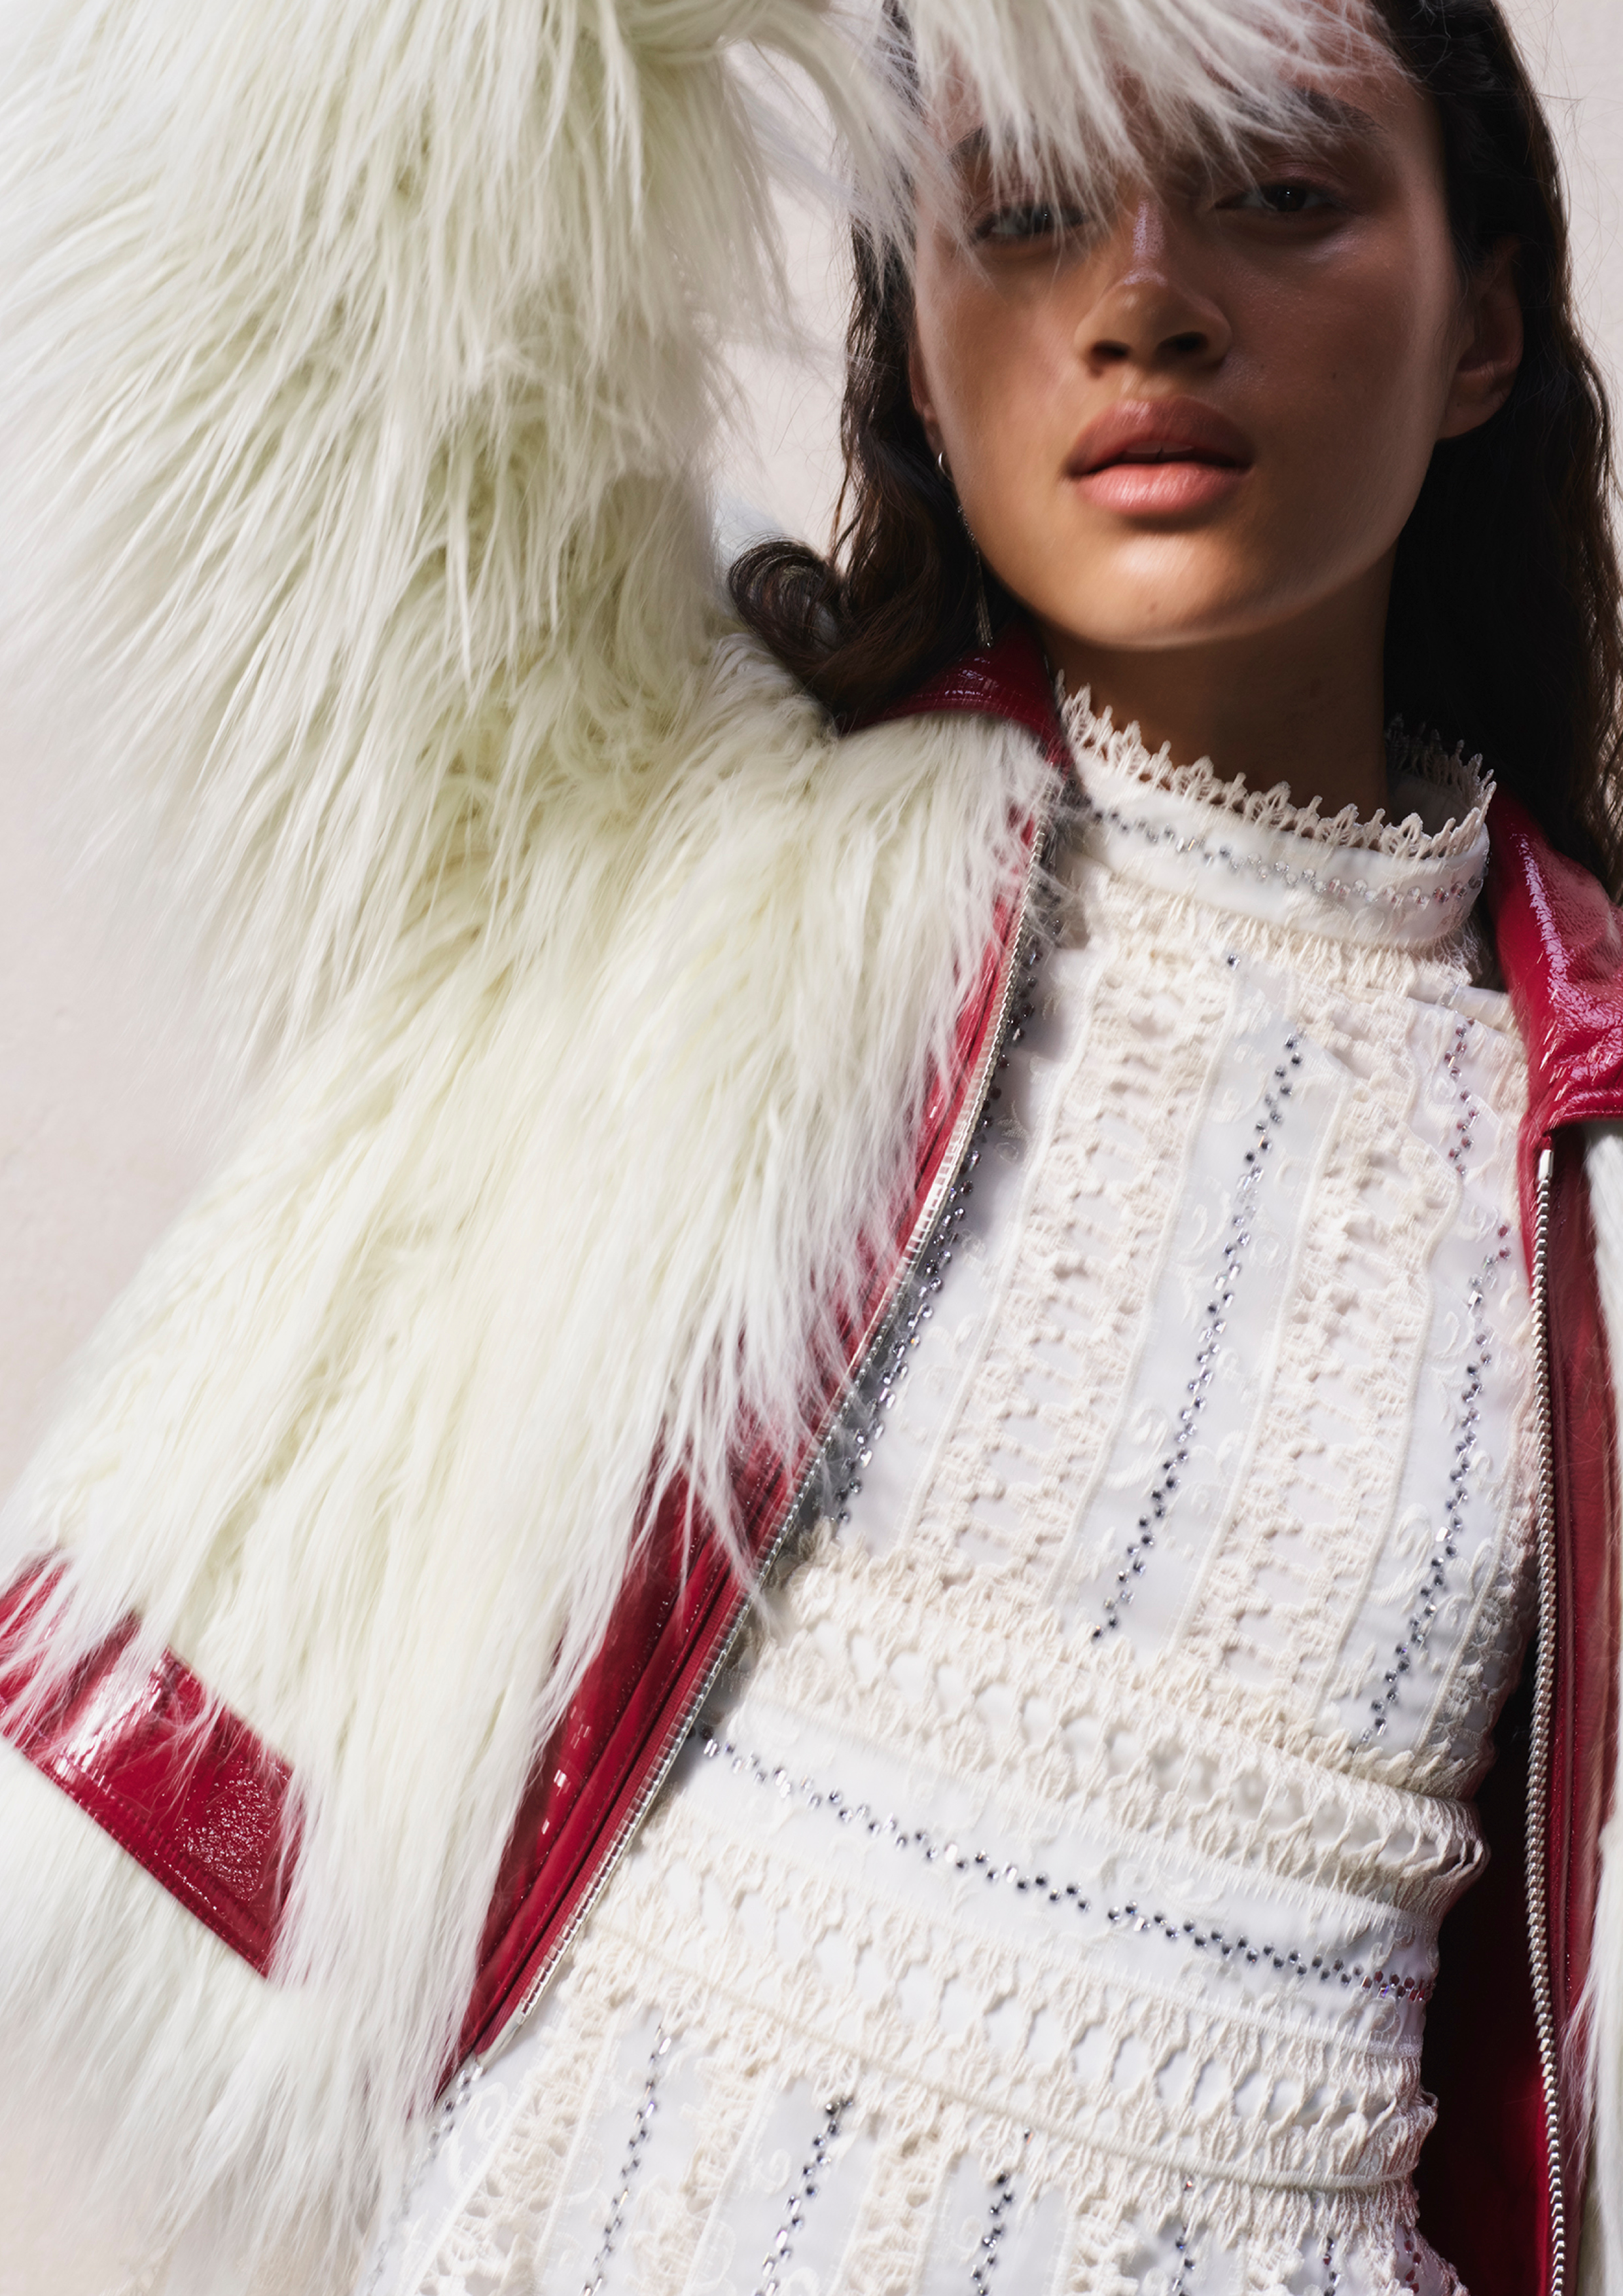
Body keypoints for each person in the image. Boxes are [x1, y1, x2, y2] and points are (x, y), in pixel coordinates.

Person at [0, 0, 1620, 2291]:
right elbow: (287, 253)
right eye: (1026, 211)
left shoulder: (1581, 1136)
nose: (1145, 299)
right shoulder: (650, 831)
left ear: (1485, 325)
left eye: (1278, 191)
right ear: (918, 344)